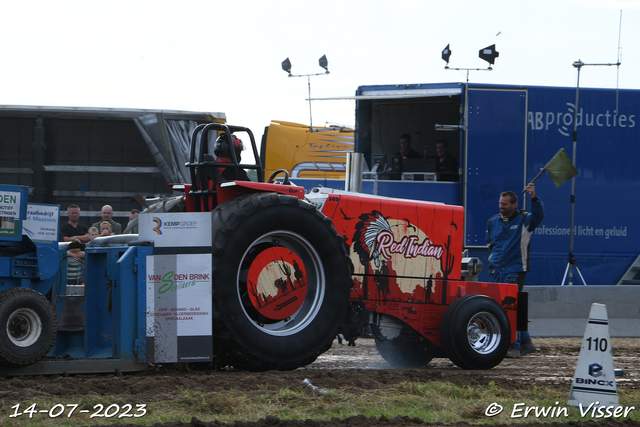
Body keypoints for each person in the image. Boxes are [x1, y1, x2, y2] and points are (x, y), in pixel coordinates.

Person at [486, 183, 545, 359]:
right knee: (505, 306)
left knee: (509, 307)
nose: (501, 206)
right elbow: (490, 243)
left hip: (516, 269)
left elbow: (540, 215)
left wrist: (534, 196)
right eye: (500, 203)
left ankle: (514, 346)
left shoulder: (526, 219)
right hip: (497, 270)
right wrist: (493, 261)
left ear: (514, 205)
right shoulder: (493, 221)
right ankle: (527, 342)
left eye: (504, 204)